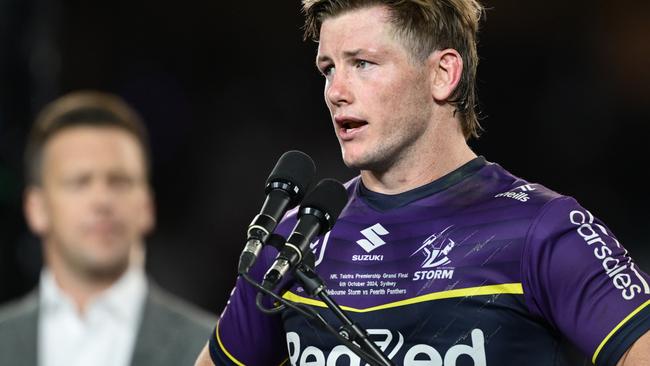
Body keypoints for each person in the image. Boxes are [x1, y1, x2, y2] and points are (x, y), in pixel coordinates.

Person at [196, 0, 650, 365]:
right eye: (329, 68)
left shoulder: (539, 228)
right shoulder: (295, 239)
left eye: (363, 63)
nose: (336, 90)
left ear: (442, 74)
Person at [0, 90, 217, 366]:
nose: (102, 200)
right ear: (36, 208)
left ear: (147, 206)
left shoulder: (214, 351)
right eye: (79, 182)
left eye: (119, 181)